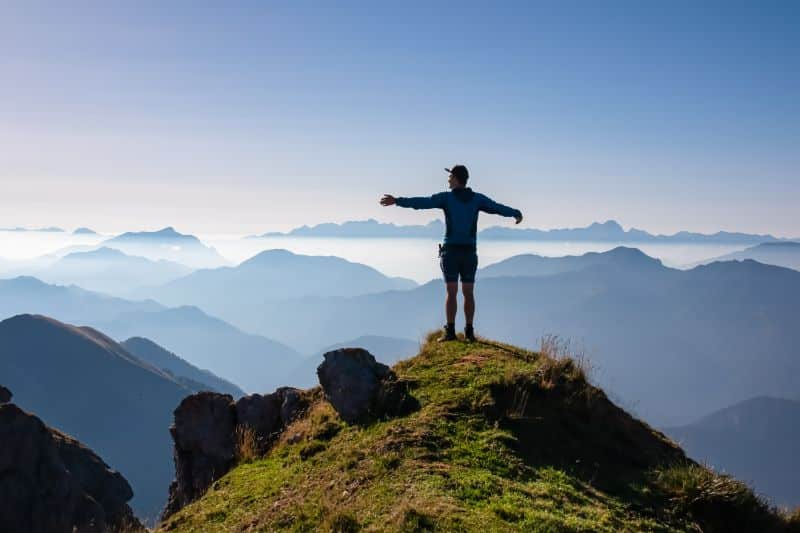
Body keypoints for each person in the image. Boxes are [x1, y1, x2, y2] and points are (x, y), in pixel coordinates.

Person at [380, 164, 523, 342]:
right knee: (468, 292)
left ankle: (450, 332)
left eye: (450, 177)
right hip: (469, 252)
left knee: (451, 292)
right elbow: (497, 207)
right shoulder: (477, 199)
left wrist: (397, 201)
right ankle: (469, 332)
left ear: (456, 178)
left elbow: (422, 203)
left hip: (451, 253)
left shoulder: (446, 198)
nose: (448, 180)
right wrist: (515, 213)